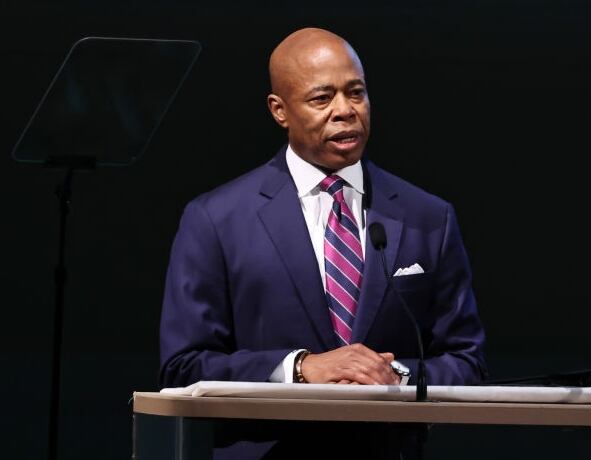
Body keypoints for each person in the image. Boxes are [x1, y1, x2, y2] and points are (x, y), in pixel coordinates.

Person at [159, 27, 487, 458]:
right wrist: (300, 367)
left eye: (356, 93)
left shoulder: (428, 217)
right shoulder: (216, 219)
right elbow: (183, 368)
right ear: (279, 110)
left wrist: (394, 374)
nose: (345, 111)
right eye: (321, 99)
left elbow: (468, 363)